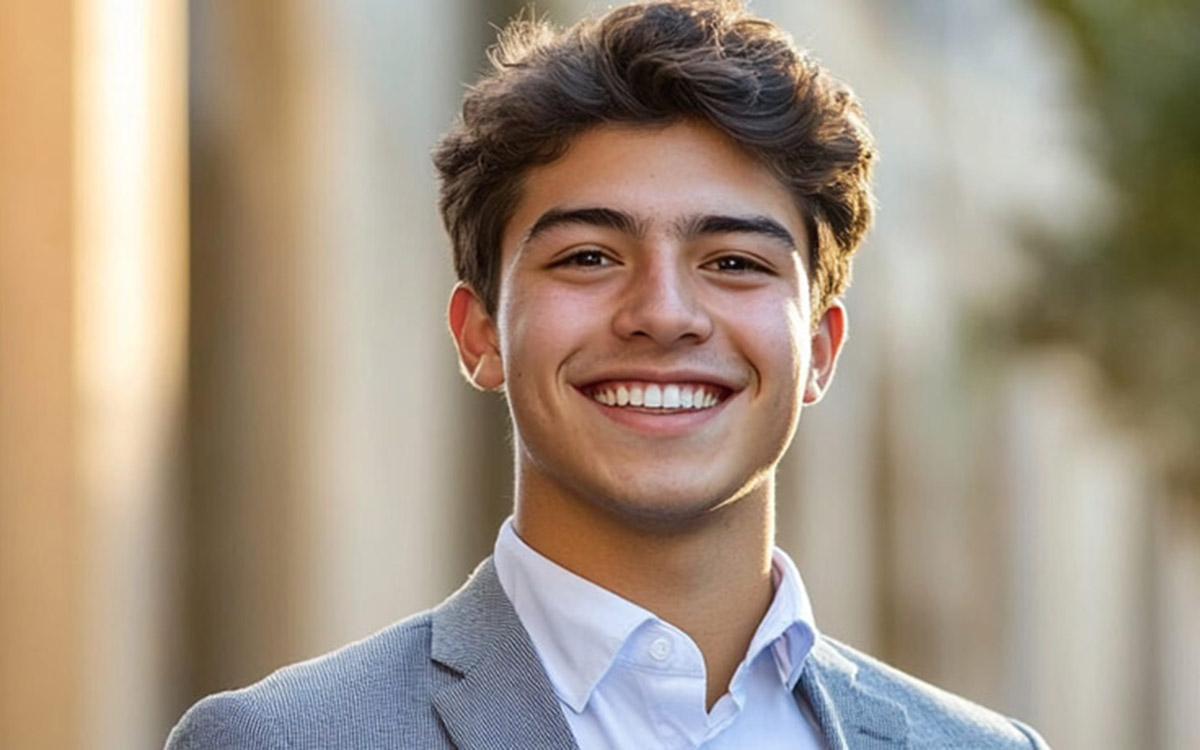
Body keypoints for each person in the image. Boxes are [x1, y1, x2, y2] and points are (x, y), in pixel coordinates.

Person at [167, 1, 1051, 748]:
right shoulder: (286, 740)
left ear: (819, 349)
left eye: (735, 263)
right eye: (589, 256)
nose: (663, 313)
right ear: (480, 335)